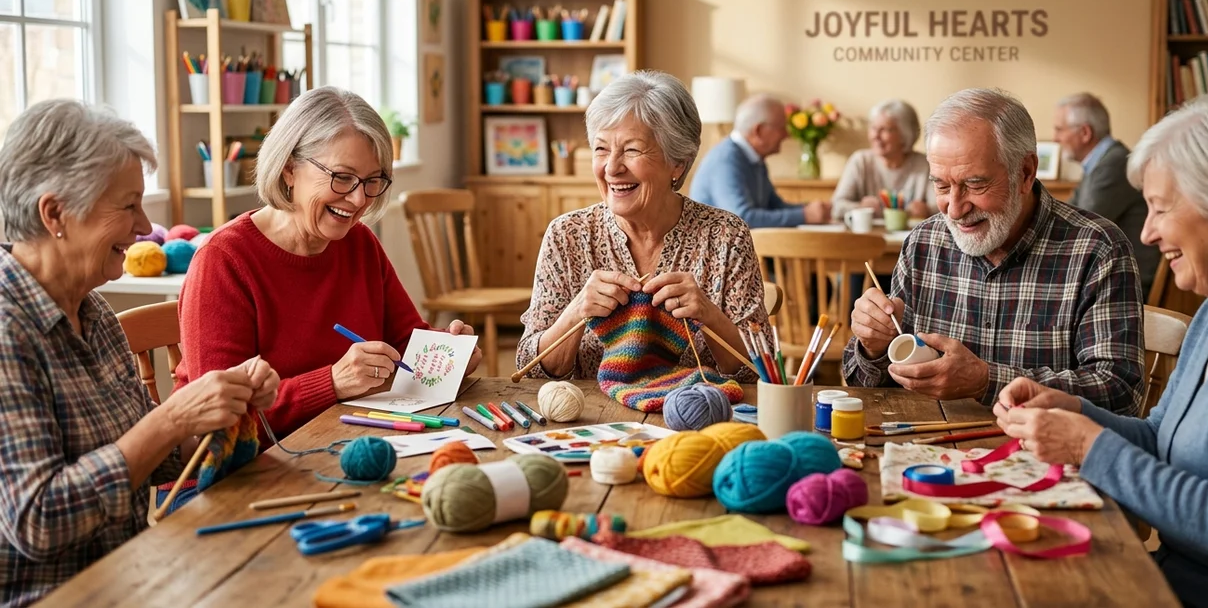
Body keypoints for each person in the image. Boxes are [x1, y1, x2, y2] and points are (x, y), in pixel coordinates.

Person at [997, 93, 1208, 608]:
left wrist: (1087, 446)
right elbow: (1159, 439)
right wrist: (1072, 409)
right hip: (1166, 576)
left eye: (1161, 208)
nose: (1146, 233)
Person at [0, 100, 280, 607]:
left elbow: (154, 464)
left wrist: (218, 411)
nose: (144, 225)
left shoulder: (94, 312)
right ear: (55, 213)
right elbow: (37, 521)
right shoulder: (7, 333)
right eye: (128, 206)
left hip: (139, 568)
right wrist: (171, 419)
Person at [175, 87, 480, 441]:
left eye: (372, 181)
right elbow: (219, 423)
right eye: (342, 177)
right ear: (289, 168)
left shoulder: (360, 243)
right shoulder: (223, 260)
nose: (358, 199)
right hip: (230, 480)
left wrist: (449, 354)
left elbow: (406, 346)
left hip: (332, 448)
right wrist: (331, 383)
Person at [843, 88, 1145, 414]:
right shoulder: (924, 243)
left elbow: (1121, 392)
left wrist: (987, 382)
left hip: (1042, 453)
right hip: (928, 452)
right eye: (941, 186)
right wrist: (873, 347)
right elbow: (863, 386)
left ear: (1026, 173)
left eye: (975, 184)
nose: (955, 210)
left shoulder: (1097, 249)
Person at [517, 71, 768, 380]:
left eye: (632, 150)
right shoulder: (566, 236)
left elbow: (762, 371)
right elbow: (530, 370)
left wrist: (709, 315)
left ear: (677, 162)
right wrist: (576, 312)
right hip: (594, 421)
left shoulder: (727, 236)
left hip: (698, 420)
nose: (611, 168)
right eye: (601, 149)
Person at [1053, 93, 1161, 299]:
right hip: (1111, 272)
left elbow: (1078, 228)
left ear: (1085, 133)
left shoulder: (1113, 165)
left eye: (1060, 129)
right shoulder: (1100, 162)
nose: (1056, 137)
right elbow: (1066, 213)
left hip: (1127, 281)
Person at [689, 94, 829, 227]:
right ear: (759, 131)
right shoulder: (726, 160)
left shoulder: (754, 159)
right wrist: (804, 215)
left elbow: (774, 206)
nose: (787, 135)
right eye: (781, 128)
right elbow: (740, 218)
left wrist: (812, 209)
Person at [831, 99, 934, 220]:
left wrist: (927, 210)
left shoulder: (924, 165)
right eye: (873, 128)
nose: (875, 136)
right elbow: (836, 207)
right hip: (870, 238)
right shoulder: (860, 161)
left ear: (905, 134)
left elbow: (941, 209)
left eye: (885, 129)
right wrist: (860, 207)